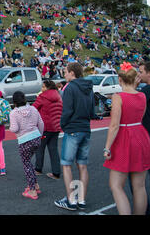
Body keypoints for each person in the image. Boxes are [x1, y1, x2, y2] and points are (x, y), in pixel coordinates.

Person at [103, 64, 150, 215]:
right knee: (140, 186)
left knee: (116, 185)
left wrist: (107, 147)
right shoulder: (142, 96)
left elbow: (114, 125)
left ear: (120, 79)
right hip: (141, 135)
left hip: (125, 137)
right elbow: (141, 116)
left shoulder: (118, 97)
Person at [54, 62, 95, 211]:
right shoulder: (89, 87)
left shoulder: (70, 88)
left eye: (65, 71)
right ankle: (81, 199)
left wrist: (63, 125)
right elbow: (92, 110)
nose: (64, 74)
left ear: (72, 73)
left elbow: (67, 110)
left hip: (72, 129)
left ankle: (71, 200)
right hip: (85, 128)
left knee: (66, 164)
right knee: (82, 165)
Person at [9, 91, 44, 200]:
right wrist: (40, 135)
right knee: (29, 162)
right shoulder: (33, 109)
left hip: (24, 140)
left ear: (14, 102)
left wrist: (10, 128)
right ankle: (35, 185)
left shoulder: (14, 113)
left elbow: (14, 128)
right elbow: (41, 124)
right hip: (36, 138)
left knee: (27, 164)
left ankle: (33, 191)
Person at [33, 80, 63, 180]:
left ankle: (38, 168)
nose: (41, 89)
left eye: (43, 87)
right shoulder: (58, 96)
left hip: (44, 127)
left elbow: (34, 108)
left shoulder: (42, 97)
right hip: (55, 126)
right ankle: (56, 172)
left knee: (40, 148)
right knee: (53, 149)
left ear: (47, 87)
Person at [137, 61, 150, 215]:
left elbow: (134, 106)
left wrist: (132, 86)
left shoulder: (148, 90)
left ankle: (145, 210)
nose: (139, 74)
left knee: (137, 179)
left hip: (149, 137)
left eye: (141, 71)